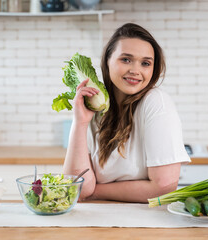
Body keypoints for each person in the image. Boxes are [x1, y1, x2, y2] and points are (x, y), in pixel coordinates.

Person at [63, 23, 191, 203]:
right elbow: (76, 187)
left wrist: (96, 192)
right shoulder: (93, 109)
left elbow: (164, 185)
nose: (135, 70)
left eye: (145, 63)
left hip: (145, 222)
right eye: (126, 59)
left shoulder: (155, 102)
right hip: (96, 222)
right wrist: (80, 123)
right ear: (107, 61)